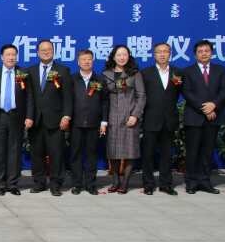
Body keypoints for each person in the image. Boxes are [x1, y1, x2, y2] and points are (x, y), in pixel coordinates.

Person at [0, 45, 33, 195]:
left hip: (17, 116)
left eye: (14, 55)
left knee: (14, 151)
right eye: (8, 55)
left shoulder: (23, 73)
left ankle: (12, 184)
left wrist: (29, 116)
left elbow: (30, 97)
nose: (11, 58)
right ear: (2, 57)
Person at [182, 39, 225, 194]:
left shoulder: (220, 70)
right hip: (194, 117)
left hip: (214, 117)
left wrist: (214, 105)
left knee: (208, 152)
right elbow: (187, 92)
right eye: (200, 51)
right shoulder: (187, 71)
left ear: (211, 53)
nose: (204, 54)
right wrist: (206, 108)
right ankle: (191, 182)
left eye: (207, 51)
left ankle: (205, 181)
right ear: (195, 54)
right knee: (192, 151)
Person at [27, 39, 73, 196]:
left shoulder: (63, 70)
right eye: (43, 50)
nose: (46, 52)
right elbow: (29, 97)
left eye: (49, 49)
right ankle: (39, 183)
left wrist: (66, 116)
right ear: (37, 52)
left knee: (56, 154)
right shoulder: (31, 71)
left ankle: (56, 184)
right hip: (35, 120)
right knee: (37, 154)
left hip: (56, 120)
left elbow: (68, 97)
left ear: (53, 51)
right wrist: (28, 117)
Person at [102, 45, 146, 194]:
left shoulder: (135, 74)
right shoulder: (106, 74)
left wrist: (135, 115)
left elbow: (141, 96)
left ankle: (125, 182)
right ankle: (115, 181)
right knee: (113, 150)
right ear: (113, 57)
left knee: (130, 151)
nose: (122, 57)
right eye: (119, 55)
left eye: (125, 54)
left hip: (130, 117)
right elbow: (103, 98)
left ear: (129, 56)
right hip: (112, 117)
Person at [140, 43, 182, 195]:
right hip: (150, 119)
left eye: (165, 51)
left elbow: (178, 93)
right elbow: (141, 96)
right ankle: (148, 184)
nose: (162, 54)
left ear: (170, 54)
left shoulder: (178, 72)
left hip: (169, 119)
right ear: (154, 55)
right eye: (159, 52)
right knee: (148, 154)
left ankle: (166, 184)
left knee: (167, 154)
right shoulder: (145, 73)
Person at [69, 49, 108, 195]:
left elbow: (105, 102)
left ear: (93, 61)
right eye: (83, 59)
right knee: (76, 154)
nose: (86, 62)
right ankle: (77, 184)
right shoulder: (72, 79)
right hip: (76, 123)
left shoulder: (100, 80)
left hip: (94, 123)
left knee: (92, 154)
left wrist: (104, 121)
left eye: (89, 59)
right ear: (78, 62)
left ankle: (91, 184)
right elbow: (67, 101)